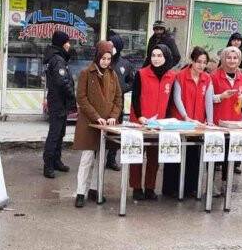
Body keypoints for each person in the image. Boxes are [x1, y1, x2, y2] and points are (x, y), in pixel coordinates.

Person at [73, 41, 123, 207]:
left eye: (109, 58)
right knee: (87, 158)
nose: (106, 61)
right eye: (103, 58)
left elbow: (118, 99)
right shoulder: (86, 73)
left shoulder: (112, 75)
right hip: (89, 124)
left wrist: (113, 116)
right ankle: (81, 192)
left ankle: (95, 189)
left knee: (101, 159)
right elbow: (81, 98)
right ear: (97, 56)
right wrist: (95, 116)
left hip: (106, 125)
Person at [162, 47, 214, 198]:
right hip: (180, 121)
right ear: (192, 61)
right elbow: (177, 98)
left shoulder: (207, 78)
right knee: (175, 155)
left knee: (193, 156)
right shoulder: (180, 76)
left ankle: (190, 188)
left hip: (198, 124)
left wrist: (209, 122)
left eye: (204, 62)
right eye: (198, 62)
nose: (201, 65)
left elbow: (208, 100)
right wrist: (185, 117)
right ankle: (170, 189)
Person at [130, 44, 177, 201]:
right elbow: (135, 97)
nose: (156, 59)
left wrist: (168, 120)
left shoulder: (171, 76)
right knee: (136, 156)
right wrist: (140, 116)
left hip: (159, 124)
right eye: (153, 55)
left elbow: (171, 101)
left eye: (159, 56)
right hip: (140, 122)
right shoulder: (141, 74)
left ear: (166, 57)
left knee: (154, 158)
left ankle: (150, 188)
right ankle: (136, 188)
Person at [212, 47, 242, 181]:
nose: (232, 61)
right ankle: (211, 185)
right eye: (229, 57)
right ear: (223, 59)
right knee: (214, 156)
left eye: (235, 58)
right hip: (217, 122)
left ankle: (225, 184)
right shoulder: (213, 76)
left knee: (230, 156)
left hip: (235, 122)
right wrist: (221, 96)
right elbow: (207, 98)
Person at [43, 30, 75, 178]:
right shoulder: (57, 59)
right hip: (58, 102)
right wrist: (72, 96)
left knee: (60, 133)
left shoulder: (58, 58)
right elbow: (62, 82)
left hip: (60, 102)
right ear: (62, 43)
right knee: (54, 134)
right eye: (67, 42)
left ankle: (56, 161)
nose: (69, 45)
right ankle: (48, 165)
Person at [106, 33, 136, 171]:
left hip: (118, 104)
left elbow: (132, 81)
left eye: (112, 45)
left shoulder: (125, 64)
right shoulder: (104, 60)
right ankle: (98, 155)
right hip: (104, 103)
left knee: (115, 132)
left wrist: (123, 88)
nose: (110, 47)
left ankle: (111, 159)